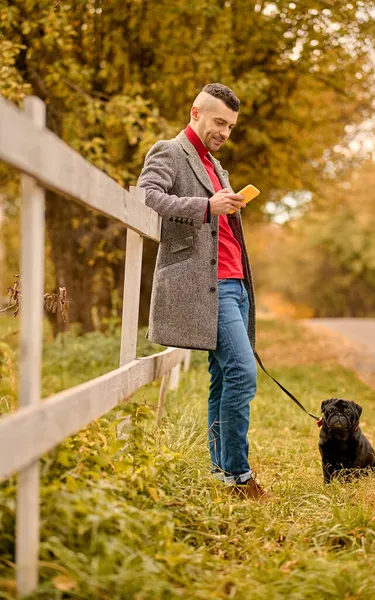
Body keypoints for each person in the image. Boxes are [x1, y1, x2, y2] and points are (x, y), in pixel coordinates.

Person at [137, 83, 267, 501]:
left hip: (235, 282)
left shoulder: (216, 165)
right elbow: (148, 196)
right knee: (242, 373)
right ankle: (239, 476)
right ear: (196, 113)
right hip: (207, 286)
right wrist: (206, 207)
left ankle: (220, 473)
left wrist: (224, 204)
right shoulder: (169, 151)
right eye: (218, 121)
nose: (224, 131)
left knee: (221, 376)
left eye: (230, 125)